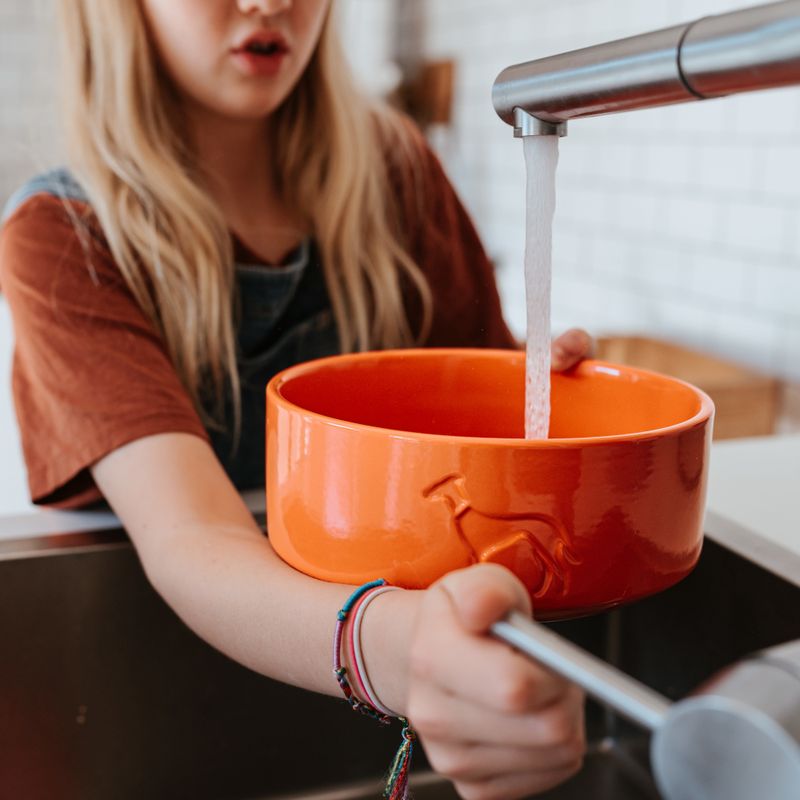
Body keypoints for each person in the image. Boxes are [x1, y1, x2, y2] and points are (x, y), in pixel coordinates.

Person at [0, 1, 592, 798]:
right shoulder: (64, 234)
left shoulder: (399, 176)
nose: (269, 2)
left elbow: (487, 438)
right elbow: (193, 535)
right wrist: (400, 651)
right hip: (173, 716)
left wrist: (551, 397)